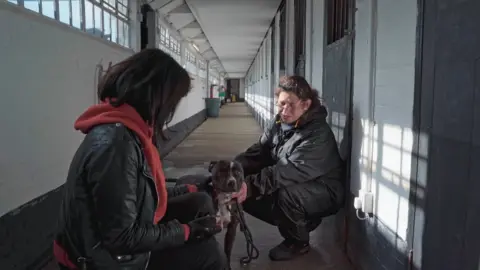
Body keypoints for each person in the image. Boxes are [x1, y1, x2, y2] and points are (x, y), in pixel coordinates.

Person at [53, 49, 227, 270]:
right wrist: (187, 232)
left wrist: (193, 189)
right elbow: (122, 238)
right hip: (99, 261)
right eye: (173, 101)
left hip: (110, 244)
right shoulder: (116, 146)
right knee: (207, 254)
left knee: (200, 201)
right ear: (157, 97)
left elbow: (143, 194)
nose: (172, 109)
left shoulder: (129, 130)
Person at [234, 75, 345, 261]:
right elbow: (260, 150)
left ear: (306, 104)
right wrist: (236, 168)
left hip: (325, 189)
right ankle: (300, 219)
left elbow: (289, 170)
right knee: (243, 179)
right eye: (281, 104)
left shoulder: (317, 134)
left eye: (290, 105)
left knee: (286, 193)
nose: (284, 110)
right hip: (302, 184)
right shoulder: (279, 122)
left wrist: (249, 186)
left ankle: (298, 242)